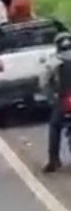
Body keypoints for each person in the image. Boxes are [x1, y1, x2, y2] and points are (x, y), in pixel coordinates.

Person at [42, 32, 71, 172]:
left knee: (55, 126)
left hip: (63, 99)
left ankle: (53, 160)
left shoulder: (54, 61)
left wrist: (50, 99)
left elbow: (44, 83)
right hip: (65, 99)